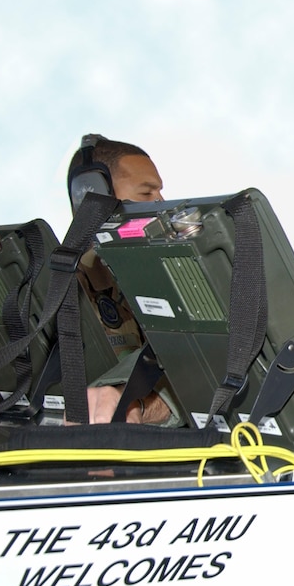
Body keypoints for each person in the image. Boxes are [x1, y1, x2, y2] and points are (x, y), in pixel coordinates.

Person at [65, 135, 177, 425]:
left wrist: (137, 405)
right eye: (146, 193)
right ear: (92, 195)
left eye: (160, 192)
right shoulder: (59, 288)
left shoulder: (164, 277)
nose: (162, 204)